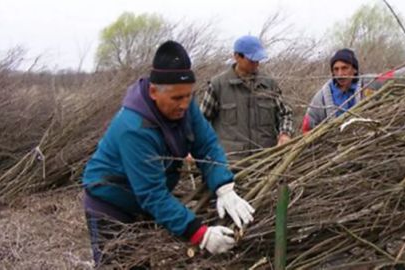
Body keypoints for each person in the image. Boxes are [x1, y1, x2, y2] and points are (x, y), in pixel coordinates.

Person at [81, 40, 255, 267]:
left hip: (142, 205)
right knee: (119, 264)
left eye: (188, 96)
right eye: (176, 98)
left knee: (141, 263)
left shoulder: (184, 106)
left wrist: (224, 187)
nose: (184, 105)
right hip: (111, 205)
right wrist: (201, 234)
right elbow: (152, 194)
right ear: (154, 91)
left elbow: (206, 144)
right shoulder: (134, 128)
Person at [199, 35, 294, 161]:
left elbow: (285, 113)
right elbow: (200, 122)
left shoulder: (269, 85)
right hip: (230, 163)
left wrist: (285, 134)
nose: (256, 64)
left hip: (265, 161)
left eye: (258, 60)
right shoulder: (218, 86)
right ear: (237, 57)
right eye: (252, 60)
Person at [301, 48, 405, 133]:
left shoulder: (369, 84)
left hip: (364, 143)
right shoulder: (322, 97)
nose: (340, 73)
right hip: (335, 151)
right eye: (336, 69)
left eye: (345, 68)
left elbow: (391, 77)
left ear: (354, 69)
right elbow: (308, 125)